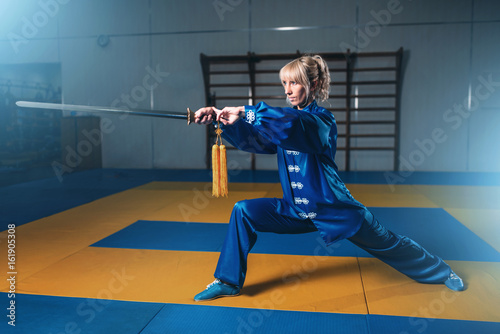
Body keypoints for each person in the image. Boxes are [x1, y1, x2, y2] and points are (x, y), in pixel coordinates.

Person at [193, 55, 465, 301]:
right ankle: (228, 281)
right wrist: (222, 121)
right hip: (295, 210)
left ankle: (442, 272)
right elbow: (257, 140)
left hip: (335, 210)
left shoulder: (322, 121)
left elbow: (293, 126)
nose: (287, 90)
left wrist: (245, 110)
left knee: (390, 244)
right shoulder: (281, 121)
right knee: (243, 212)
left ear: (313, 84)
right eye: (284, 83)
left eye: (294, 83)